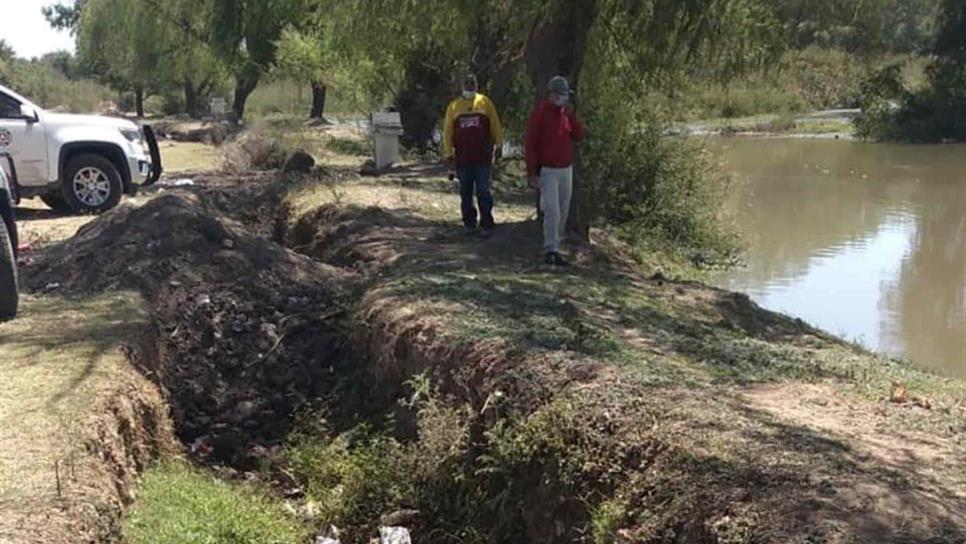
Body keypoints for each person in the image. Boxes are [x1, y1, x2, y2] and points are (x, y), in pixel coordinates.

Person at [525, 75, 585, 267]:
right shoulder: (540, 112)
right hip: (548, 171)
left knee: (563, 211)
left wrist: (571, 116)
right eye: (562, 95)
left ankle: (556, 247)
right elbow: (530, 144)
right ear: (553, 94)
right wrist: (532, 172)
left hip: (565, 169)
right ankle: (549, 249)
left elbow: (579, 135)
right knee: (553, 211)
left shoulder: (565, 114)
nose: (565, 98)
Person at [443, 74, 503, 236]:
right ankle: (469, 223)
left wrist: (499, 144)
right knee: (466, 192)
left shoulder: (485, 102)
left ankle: (486, 223)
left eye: (473, 83)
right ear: (462, 85)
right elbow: (447, 133)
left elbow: (495, 124)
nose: (470, 85)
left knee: (483, 190)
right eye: (467, 82)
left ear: (477, 85)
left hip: (483, 158)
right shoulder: (454, 106)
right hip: (463, 159)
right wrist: (449, 155)